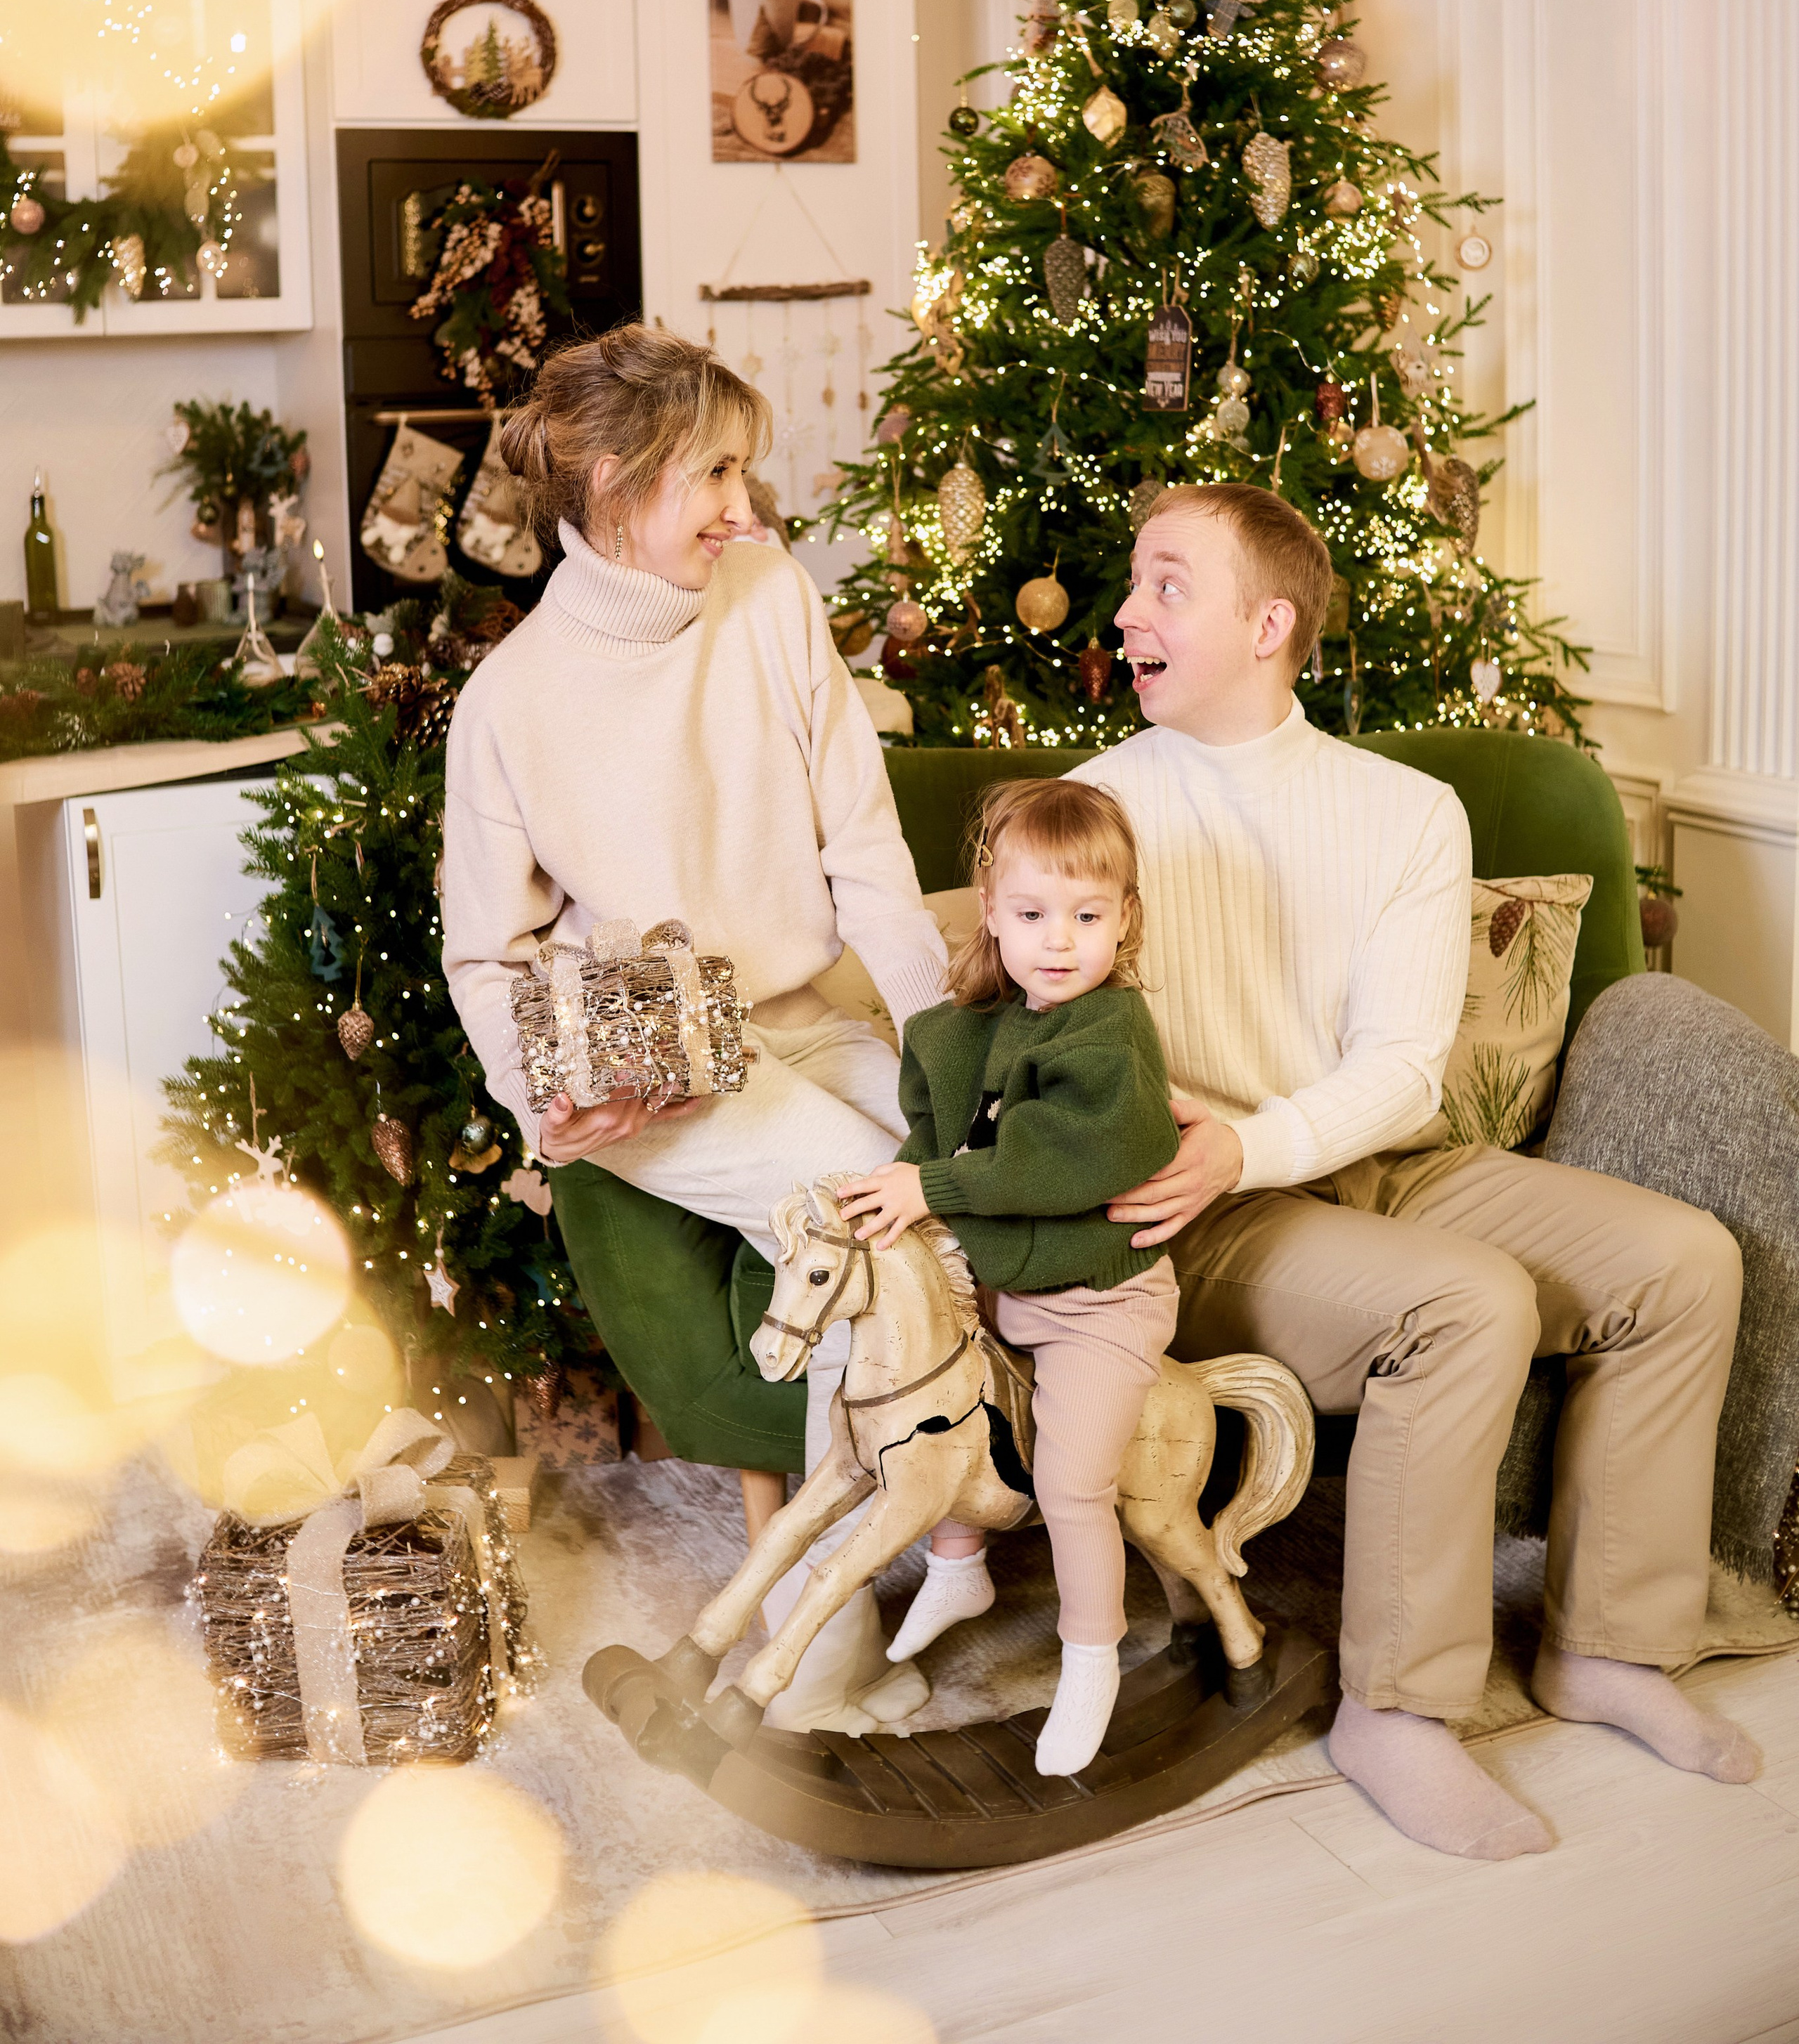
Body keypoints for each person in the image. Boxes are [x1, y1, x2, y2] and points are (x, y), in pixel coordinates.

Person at [1064, 481, 1751, 1858]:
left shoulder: (1406, 812)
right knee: (1468, 1303)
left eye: (1166, 584)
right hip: (1193, 1211)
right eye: (1133, 584)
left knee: (1684, 1261)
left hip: (1370, 1159)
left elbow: (1401, 1073)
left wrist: (1258, 1134)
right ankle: (1399, 1707)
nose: (1127, 612)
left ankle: (1608, 1646)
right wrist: (1200, 1143)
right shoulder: (1095, 808)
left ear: (1268, 624)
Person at [439, 324, 948, 1734]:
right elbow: (484, 953)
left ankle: (960, 1545)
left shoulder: (769, 593)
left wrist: (948, 1061)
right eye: (713, 474)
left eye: (744, 470)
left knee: (965, 1192)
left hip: (813, 1013)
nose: (745, 505)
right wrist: (549, 1112)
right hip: (669, 1081)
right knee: (870, 1232)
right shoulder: (512, 704)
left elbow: (862, 843)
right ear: (610, 477)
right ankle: (815, 1651)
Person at [836, 779, 1182, 1776]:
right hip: (1004, 1291)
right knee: (939, 1396)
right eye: (1033, 915)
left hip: (1099, 1305)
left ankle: (1090, 1656)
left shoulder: (1111, 1037)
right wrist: (908, 1194)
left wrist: (932, 1184)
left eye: (1087, 915)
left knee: (1075, 1487)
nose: (1060, 941)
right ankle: (959, 1562)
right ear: (991, 913)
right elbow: (927, 1134)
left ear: (1126, 919)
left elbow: (1053, 1162)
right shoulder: (961, 1033)